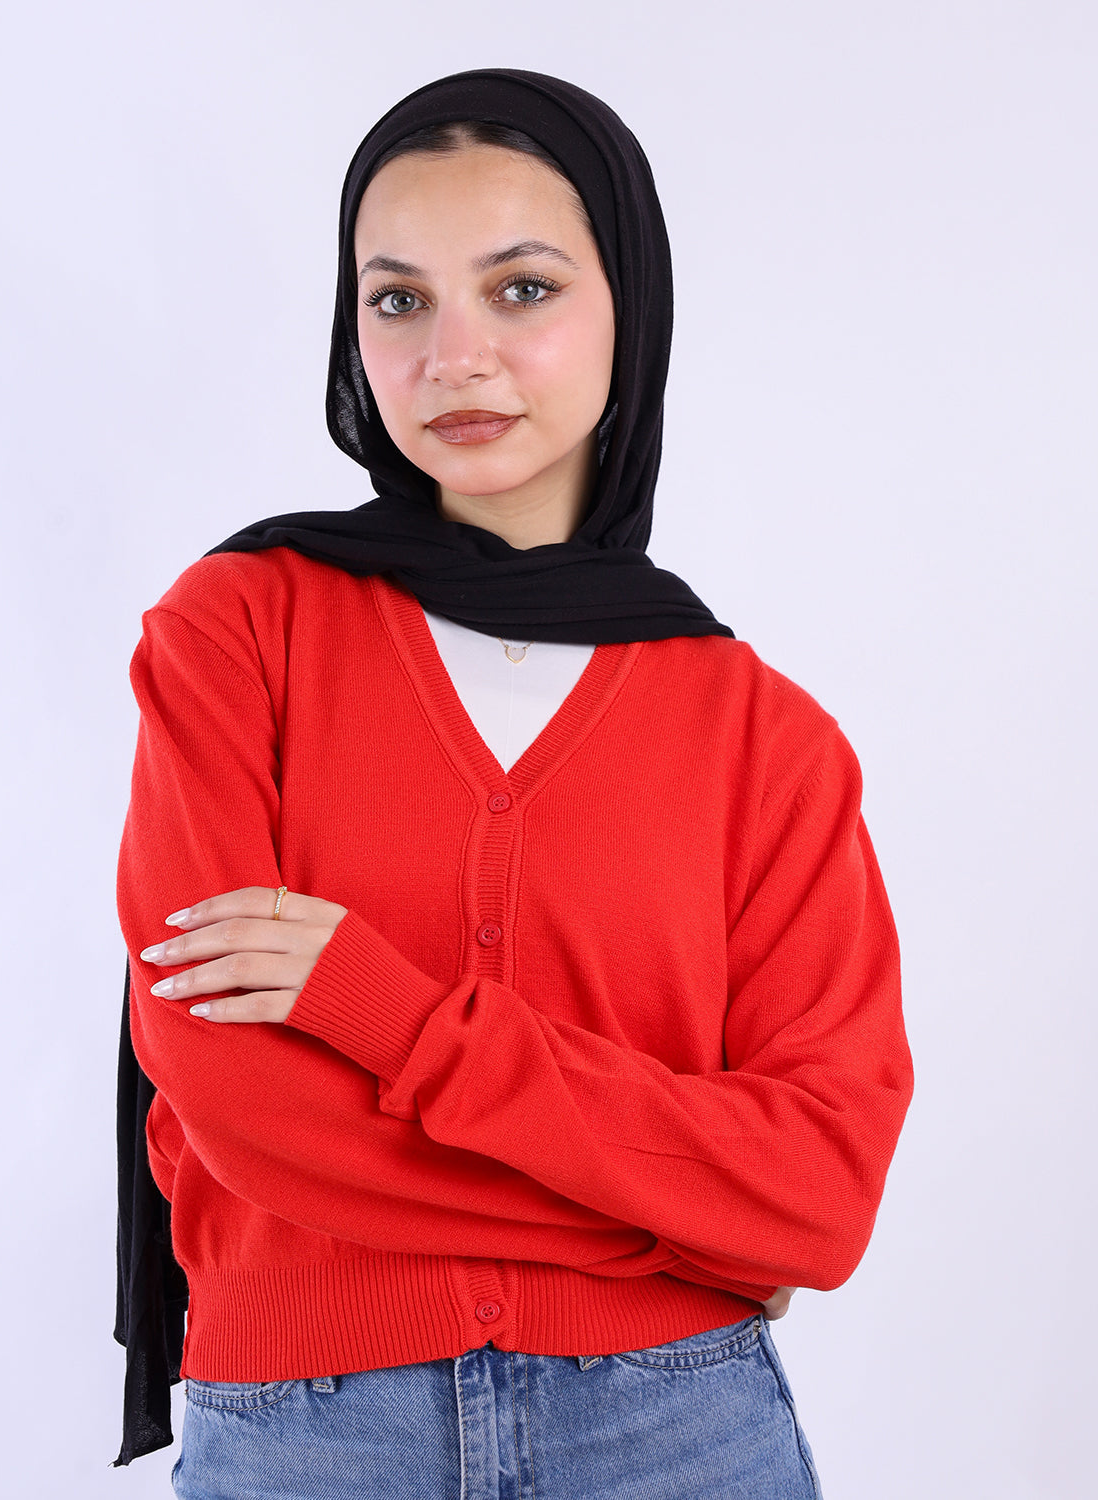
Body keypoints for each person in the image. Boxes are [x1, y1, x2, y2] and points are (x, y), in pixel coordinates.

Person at [114, 68, 913, 1499]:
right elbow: (232, 1092)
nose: (451, 358)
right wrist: (681, 1225)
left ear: (632, 309)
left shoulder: (765, 737)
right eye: (399, 300)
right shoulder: (240, 632)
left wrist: (389, 1012)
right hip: (308, 1433)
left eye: (523, 290)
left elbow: (819, 1185)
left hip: (680, 1433)